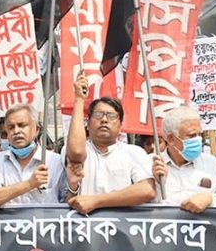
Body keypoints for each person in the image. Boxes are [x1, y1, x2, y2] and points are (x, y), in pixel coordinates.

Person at [65, 74, 156, 214]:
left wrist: (96, 202)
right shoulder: (79, 149)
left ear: (120, 125)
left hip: (122, 231)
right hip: (84, 229)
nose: (104, 120)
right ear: (87, 124)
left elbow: (147, 190)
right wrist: (78, 100)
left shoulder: (134, 152)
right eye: (98, 115)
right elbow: (76, 152)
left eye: (111, 116)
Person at [0, 104, 66, 208]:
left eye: (22, 125)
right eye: (11, 127)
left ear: (36, 129)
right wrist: (29, 184)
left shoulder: (55, 162)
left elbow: (67, 201)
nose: (16, 131)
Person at [150, 105, 216, 213]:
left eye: (200, 134)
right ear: (171, 139)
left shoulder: (213, 165)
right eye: (192, 136)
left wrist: (210, 199)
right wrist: (156, 185)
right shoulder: (151, 164)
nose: (198, 140)